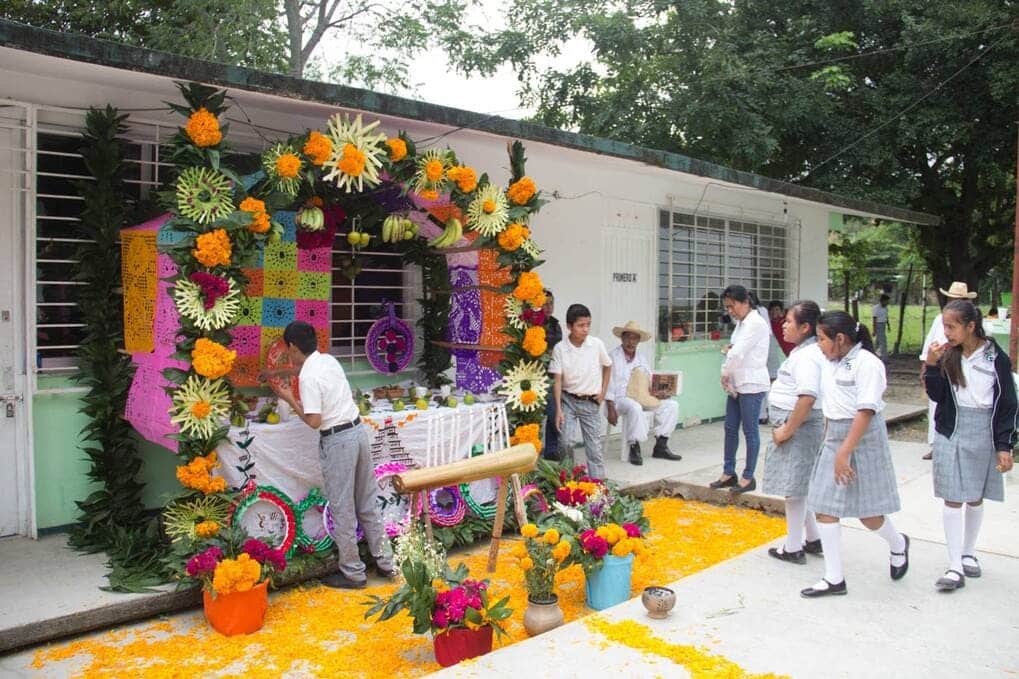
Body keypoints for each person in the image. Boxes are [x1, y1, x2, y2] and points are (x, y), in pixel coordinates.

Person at [270, 321, 395, 589]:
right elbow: (304, 370)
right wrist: (277, 372)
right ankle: (386, 562)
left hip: (338, 442)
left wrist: (290, 398)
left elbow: (314, 421)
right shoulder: (327, 361)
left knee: (343, 507)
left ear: (292, 347)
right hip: (358, 433)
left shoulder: (308, 378)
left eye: (287, 350)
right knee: (368, 503)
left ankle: (353, 573)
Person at [801, 311, 909, 598]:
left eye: (822, 339)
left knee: (869, 515)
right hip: (836, 437)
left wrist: (844, 452)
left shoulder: (868, 364)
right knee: (824, 508)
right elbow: (832, 407)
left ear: (841, 339)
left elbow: (865, 411)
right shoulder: (829, 362)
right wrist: (830, 445)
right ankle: (834, 578)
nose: (819, 345)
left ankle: (898, 544)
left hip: (863, 439)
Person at [922, 300, 1016, 592]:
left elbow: (1008, 403)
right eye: (945, 326)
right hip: (951, 430)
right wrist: (932, 365)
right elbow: (938, 396)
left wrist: (1004, 444)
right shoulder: (949, 355)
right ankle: (953, 565)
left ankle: (968, 552)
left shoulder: (994, 358)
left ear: (971, 326)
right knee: (952, 496)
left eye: (952, 326)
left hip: (983, 430)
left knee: (974, 497)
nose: (946, 332)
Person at [762, 301, 826, 564]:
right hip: (794, 424)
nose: (784, 325)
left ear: (805, 327)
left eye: (789, 321)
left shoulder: (808, 356)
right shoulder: (803, 352)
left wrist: (787, 429)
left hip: (798, 426)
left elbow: (807, 397)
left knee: (793, 487)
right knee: (800, 483)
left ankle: (792, 547)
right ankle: (812, 538)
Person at [711, 285, 771, 494]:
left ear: (745, 302)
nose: (730, 311)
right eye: (727, 307)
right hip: (737, 383)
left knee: (749, 430)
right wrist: (727, 371)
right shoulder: (742, 323)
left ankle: (748, 477)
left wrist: (724, 373)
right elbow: (733, 350)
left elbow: (737, 353)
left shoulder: (755, 323)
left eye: (732, 306)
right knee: (730, 428)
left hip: (751, 384)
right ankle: (729, 472)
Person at [605, 320, 682, 466]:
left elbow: (648, 379)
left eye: (634, 338)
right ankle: (634, 446)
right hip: (620, 399)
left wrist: (659, 392)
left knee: (672, 405)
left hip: (641, 396)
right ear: (622, 338)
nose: (630, 341)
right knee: (635, 407)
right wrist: (610, 407)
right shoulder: (613, 357)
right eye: (628, 337)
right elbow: (608, 384)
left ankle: (661, 445)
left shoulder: (641, 357)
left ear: (639, 340)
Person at [549, 303, 613, 479]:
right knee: (566, 442)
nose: (585, 329)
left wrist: (603, 393)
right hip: (568, 400)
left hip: (591, 402)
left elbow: (608, 366)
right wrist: (558, 411)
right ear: (569, 326)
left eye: (588, 325)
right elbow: (557, 379)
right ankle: (568, 482)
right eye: (581, 325)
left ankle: (598, 487)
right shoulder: (560, 349)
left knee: (594, 447)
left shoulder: (596, 344)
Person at [920, 282, 979, 460]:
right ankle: (936, 443)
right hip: (940, 362)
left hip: (960, 363)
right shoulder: (940, 319)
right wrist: (926, 365)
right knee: (936, 403)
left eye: (958, 299)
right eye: (952, 298)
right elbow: (929, 343)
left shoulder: (971, 322)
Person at [542, 289, 564, 461]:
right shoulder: (531, 323)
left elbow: (558, 350)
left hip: (552, 374)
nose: (548, 307)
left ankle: (551, 449)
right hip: (534, 373)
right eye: (545, 303)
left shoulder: (555, 325)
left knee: (553, 411)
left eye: (551, 303)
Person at [871, 294, 892, 362]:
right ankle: (884, 358)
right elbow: (874, 319)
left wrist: (888, 325)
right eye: (887, 301)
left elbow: (886, 317)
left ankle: (871, 353)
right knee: (883, 342)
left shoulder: (885, 308)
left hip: (883, 325)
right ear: (883, 301)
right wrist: (874, 330)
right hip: (878, 324)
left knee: (878, 342)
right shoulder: (876, 308)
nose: (888, 303)